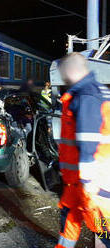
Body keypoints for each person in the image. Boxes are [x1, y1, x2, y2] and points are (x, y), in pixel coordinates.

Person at [55, 52, 110, 248]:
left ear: (70, 71)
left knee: (104, 229)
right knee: (69, 219)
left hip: (93, 183)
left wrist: (88, 182)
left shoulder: (87, 95)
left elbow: (88, 141)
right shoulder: (92, 91)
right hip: (77, 182)